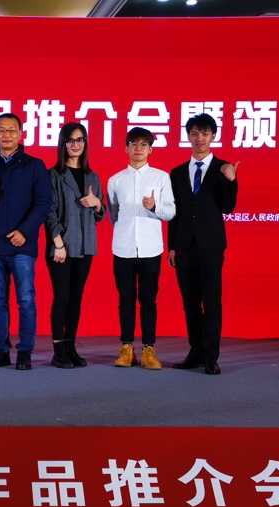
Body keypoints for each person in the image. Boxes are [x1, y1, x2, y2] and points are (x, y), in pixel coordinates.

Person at [0, 113, 52, 370]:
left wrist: (24, 231)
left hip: (21, 245)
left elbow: (43, 204)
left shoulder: (35, 166)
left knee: (25, 299)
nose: (6, 135)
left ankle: (25, 351)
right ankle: (1, 350)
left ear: (20, 134)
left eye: (12, 130)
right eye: (2, 130)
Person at [168, 114, 239, 375]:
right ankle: (195, 352)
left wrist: (231, 181)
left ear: (213, 136)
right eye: (195, 133)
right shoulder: (176, 172)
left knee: (211, 303)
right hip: (184, 246)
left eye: (205, 133)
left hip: (211, 246)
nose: (200, 138)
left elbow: (227, 207)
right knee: (190, 304)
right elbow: (174, 212)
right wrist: (172, 246)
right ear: (188, 136)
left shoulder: (224, 168)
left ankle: (211, 356)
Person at [107, 127, 175, 370]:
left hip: (150, 248)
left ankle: (149, 349)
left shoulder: (161, 177)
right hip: (123, 247)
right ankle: (127, 349)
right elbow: (113, 214)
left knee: (148, 300)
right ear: (126, 148)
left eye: (144, 144)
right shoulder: (115, 180)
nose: (138, 148)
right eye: (134, 143)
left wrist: (155, 207)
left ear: (150, 150)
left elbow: (171, 212)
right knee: (125, 300)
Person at [45, 122, 105, 369]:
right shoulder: (53, 175)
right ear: (63, 144)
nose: (76, 144)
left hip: (85, 244)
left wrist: (97, 204)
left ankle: (70, 345)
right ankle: (58, 348)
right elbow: (48, 211)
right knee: (61, 296)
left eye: (80, 139)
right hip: (62, 245)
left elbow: (100, 214)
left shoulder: (93, 176)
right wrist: (58, 242)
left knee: (76, 298)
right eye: (71, 140)